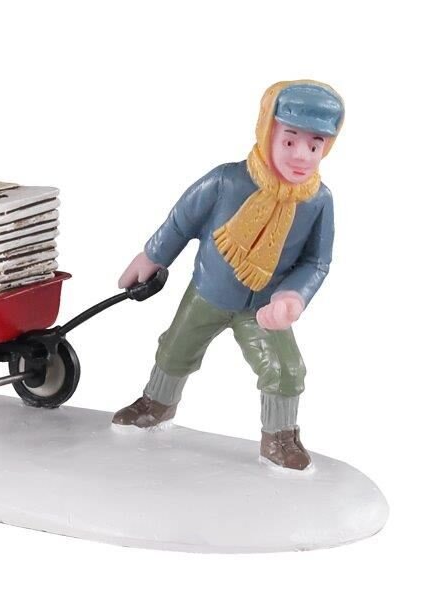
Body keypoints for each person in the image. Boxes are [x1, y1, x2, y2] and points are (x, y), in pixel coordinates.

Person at [114, 80, 344, 470]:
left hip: (264, 306)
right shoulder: (227, 181)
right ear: (267, 131)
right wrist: (152, 255)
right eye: (290, 140)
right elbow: (182, 221)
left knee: (286, 370)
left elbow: (316, 261)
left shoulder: (317, 201)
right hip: (209, 292)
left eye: (314, 144)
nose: (301, 155)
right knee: (175, 348)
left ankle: (280, 436)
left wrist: (293, 296)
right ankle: (157, 403)